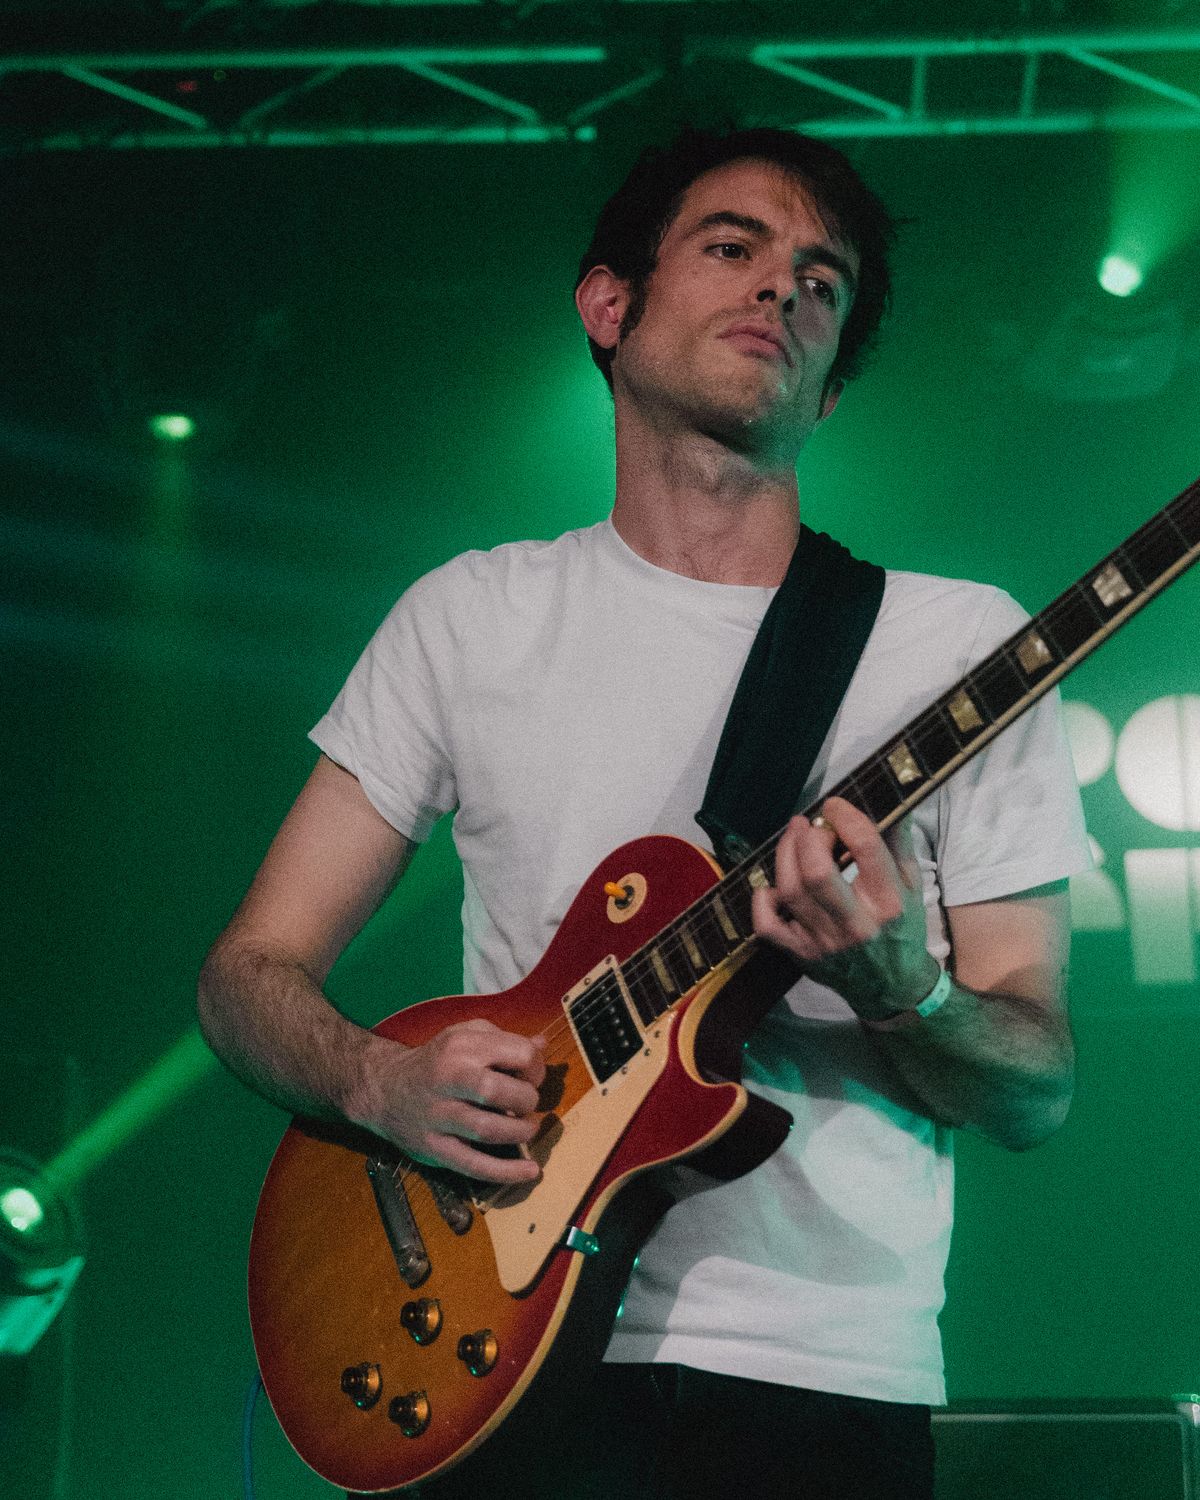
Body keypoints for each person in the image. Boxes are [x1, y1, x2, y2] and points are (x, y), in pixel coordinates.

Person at [198, 127, 1090, 1499]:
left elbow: (1036, 1086)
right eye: (734, 248)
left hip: (819, 1381)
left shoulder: (960, 647)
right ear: (609, 306)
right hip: (493, 1359)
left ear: (832, 389)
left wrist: (903, 986)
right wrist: (378, 1082)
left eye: (823, 282)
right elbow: (247, 974)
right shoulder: (473, 616)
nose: (782, 288)